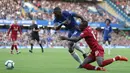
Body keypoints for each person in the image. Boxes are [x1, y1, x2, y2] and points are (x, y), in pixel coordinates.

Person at [60, 21, 128, 71]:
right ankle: (99, 69)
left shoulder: (86, 32)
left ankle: (117, 58)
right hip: (94, 50)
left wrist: (66, 38)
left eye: (80, 26)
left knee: (101, 63)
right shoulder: (89, 28)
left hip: (97, 49)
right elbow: (85, 25)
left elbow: (76, 40)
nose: (79, 27)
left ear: (84, 27)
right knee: (84, 65)